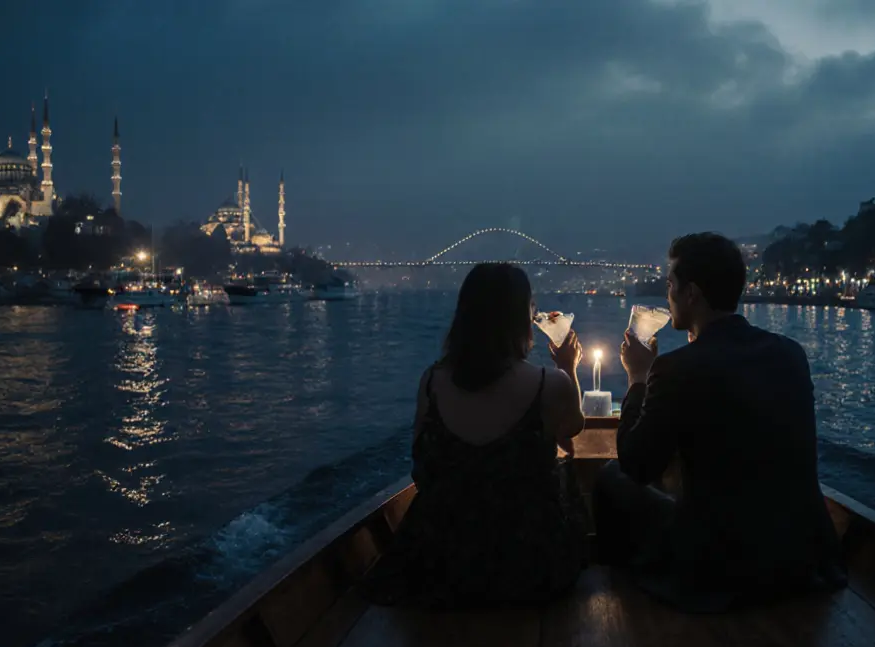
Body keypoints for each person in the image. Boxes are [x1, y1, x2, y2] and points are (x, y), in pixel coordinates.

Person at [595, 232, 846, 613]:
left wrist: (638, 378)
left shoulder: (676, 369)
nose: (667, 296)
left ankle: (626, 603)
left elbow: (637, 464)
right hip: (803, 560)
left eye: (670, 285)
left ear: (691, 293)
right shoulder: (789, 354)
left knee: (611, 477)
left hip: (723, 570)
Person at [362, 262, 588, 609]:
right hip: (529, 565)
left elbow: (421, 466)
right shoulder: (550, 383)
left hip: (440, 563)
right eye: (531, 308)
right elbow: (573, 428)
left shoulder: (432, 383)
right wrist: (568, 368)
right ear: (521, 317)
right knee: (566, 474)